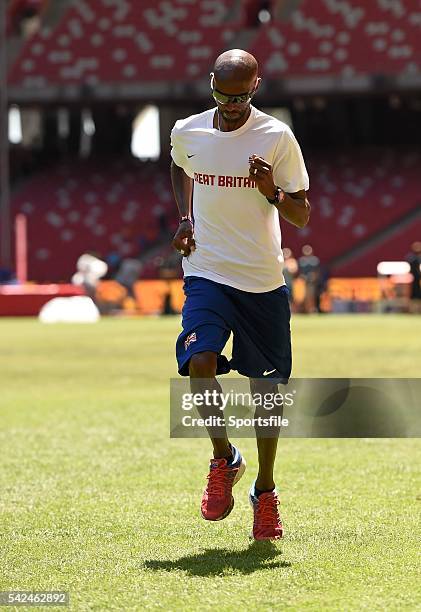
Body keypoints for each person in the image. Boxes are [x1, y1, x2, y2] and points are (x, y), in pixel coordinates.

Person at [170, 49, 310, 540]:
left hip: (261, 280)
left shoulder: (276, 137)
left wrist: (270, 190)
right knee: (199, 361)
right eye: (222, 95)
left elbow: (301, 214)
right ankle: (223, 458)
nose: (230, 105)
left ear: (256, 88)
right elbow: (180, 166)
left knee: (266, 393)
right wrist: (186, 219)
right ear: (211, 84)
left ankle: (265, 492)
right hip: (206, 270)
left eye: (241, 97)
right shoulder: (188, 130)